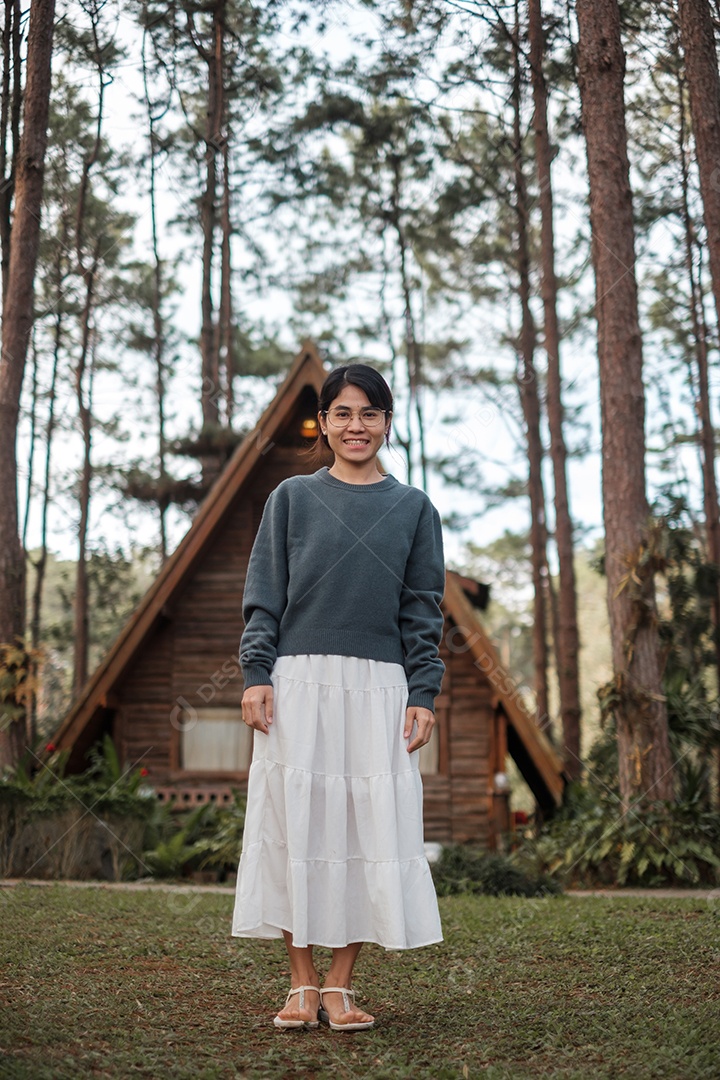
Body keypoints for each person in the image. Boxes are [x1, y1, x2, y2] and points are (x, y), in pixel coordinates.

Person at [232, 363, 445, 1031]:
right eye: (343, 414)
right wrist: (255, 673)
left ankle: (341, 985)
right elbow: (264, 595)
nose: (357, 426)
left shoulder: (413, 508)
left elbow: (423, 608)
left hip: (379, 688)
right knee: (296, 822)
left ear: (387, 422)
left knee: (365, 828)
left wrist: (423, 692)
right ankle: (299, 983)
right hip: (297, 682)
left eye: (370, 413)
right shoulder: (291, 498)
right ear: (323, 423)